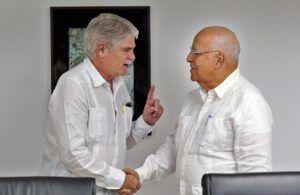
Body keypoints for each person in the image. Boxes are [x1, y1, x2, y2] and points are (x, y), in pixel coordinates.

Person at [136, 26, 273, 194]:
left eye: (195, 52)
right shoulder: (192, 99)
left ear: (219, 60)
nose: (188, 58)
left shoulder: (249, 102)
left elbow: (255, 179)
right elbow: (173, 150)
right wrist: (137, 176)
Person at [39, 13, 163, 195]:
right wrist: (121, 180)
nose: (133, 56)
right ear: (102, 49)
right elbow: (73, 155)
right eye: (126, 49)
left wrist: (145, 122)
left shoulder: (120, 87)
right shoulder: (74, 84)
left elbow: (119, 142)